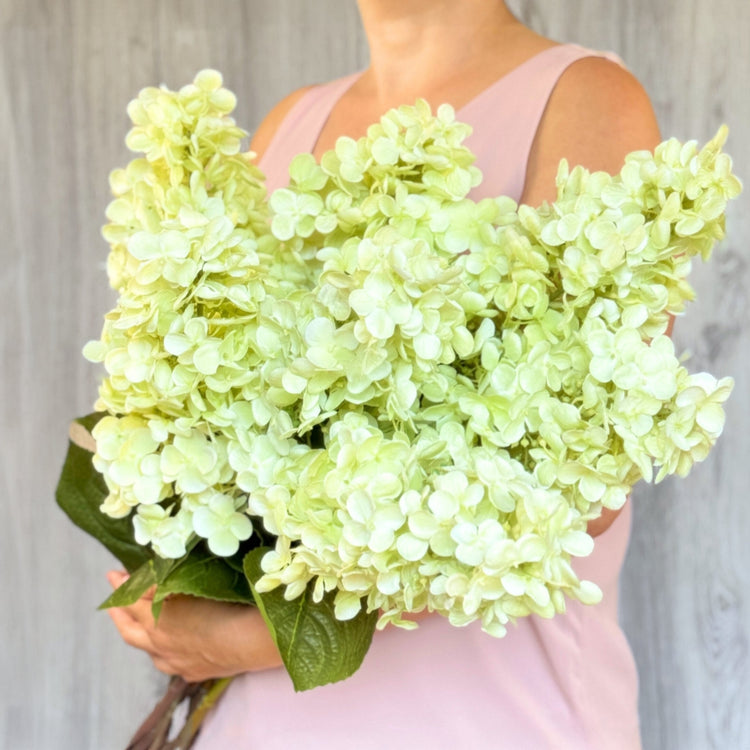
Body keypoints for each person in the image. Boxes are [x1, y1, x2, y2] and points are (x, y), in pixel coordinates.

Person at [106, 1, 661, 747]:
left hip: (491, 719)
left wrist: (248, 642)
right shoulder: (287, 128)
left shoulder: (583, 99)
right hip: (265, 725)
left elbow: (578, 485)